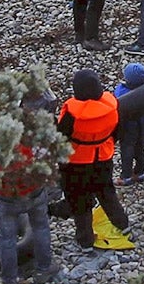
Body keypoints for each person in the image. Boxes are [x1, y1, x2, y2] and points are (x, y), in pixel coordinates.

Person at [55, 69, 130, 250]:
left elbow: (60, 136)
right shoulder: (112, 107)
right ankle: (123, 225)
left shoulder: (72, 113)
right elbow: (118, 132)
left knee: (80, 201)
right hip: (102, 158)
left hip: (75, 164)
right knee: (107, 194)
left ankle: (85, 241)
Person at [0, 86, 57, 284]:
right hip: (35, 189)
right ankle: (44, 268)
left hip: (7, 194)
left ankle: (9, 281)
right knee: (40, 226)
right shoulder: (39, 134)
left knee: (7, 237)